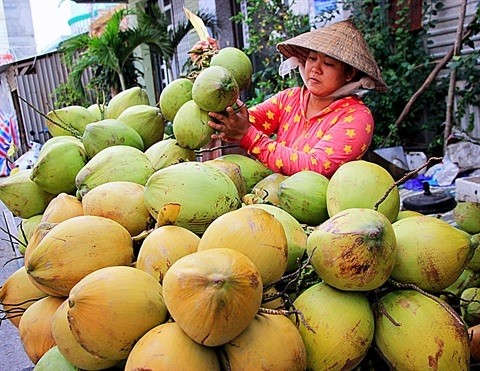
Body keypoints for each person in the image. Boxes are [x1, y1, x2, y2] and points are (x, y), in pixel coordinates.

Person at [190, 19, 387, 177]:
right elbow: (244, 121)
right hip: (275, 203)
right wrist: (212, 70)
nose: (315, 69)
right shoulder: (290, 98)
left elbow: (315, 169)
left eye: (328, 64)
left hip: (325, 219)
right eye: (311, 58)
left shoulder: (357, 117)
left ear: (349, 74)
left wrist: (250, 138)